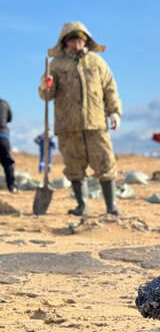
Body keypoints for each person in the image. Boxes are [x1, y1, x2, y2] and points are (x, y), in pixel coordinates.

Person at [38, 22, 122, 216]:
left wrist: (115, 111)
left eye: (79, 40)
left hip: (96, 124)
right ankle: (82, 206)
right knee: (74, 166)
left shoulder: (97, 62)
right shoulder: (56, 64)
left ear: (86, 41)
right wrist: (46, 86)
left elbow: (110, 88)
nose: (76, 44)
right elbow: (46, 96)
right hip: (68, 125)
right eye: (72, 41)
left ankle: (112, 207)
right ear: (65, 43)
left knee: (105, 162)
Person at [0, 98, 16, 192]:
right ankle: (12, 186)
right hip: (3, 136)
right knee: (7, 162)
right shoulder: (4, 103)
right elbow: (9, 118)